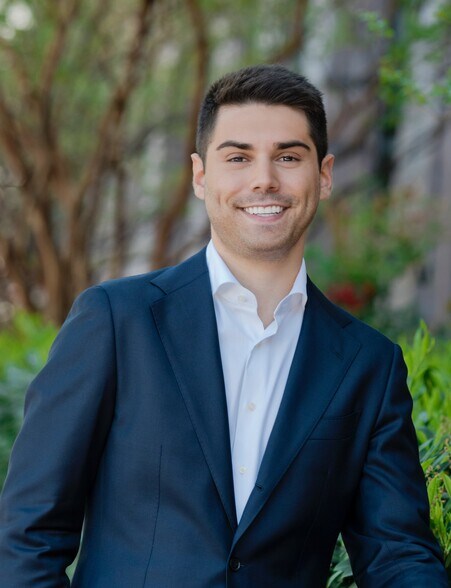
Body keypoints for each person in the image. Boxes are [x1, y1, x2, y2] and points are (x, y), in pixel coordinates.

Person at [0, 64, 448, 588]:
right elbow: (27, 535)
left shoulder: (369, 363)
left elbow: (398, 555)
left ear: (324, 175)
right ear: (200, 176)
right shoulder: (116, 321)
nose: (264, 179)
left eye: (288, 157)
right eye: (238, 157)